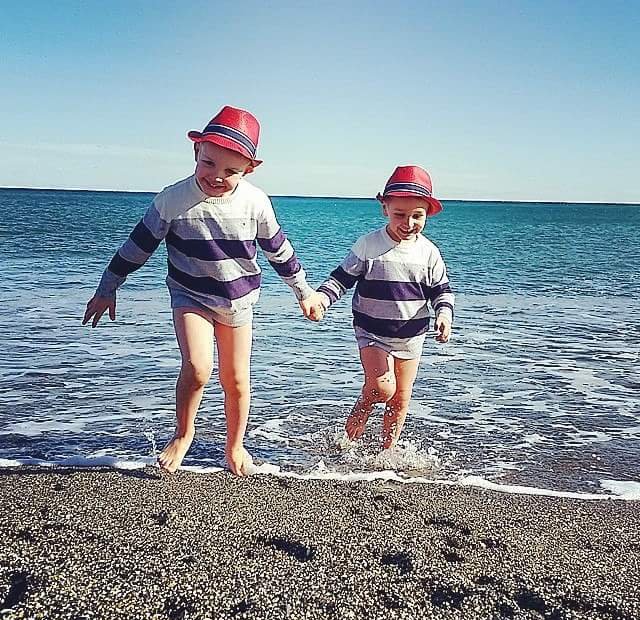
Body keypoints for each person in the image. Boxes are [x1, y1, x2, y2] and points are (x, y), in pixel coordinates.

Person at [83, 105, 325, 476]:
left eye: (231, 170)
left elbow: (279, 251)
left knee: (236, 380)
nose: (217, 176)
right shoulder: (171, 200)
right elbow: (138, 246)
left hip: (238, 300)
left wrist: (304, 292)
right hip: (190, 295)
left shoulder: (255, 203)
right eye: (209, 163)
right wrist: (107, 287)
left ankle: (235, 445)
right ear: (196, 150)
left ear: (249, 169)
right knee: (198, 368)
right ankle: (184, 434)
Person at [315, 165, 455, 448]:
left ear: (427, 214)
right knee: (382, 387)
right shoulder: (368, 245)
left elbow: (441, 290)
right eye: (399, 214)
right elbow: (341, 279)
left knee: (401, 397)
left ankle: (386, 452)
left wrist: (444, 315)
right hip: (372, 331)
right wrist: (322, 299)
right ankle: (364, 405)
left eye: (417, 216)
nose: (408, 223)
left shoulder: (429, 253)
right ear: (385, 209)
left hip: (412, 335)